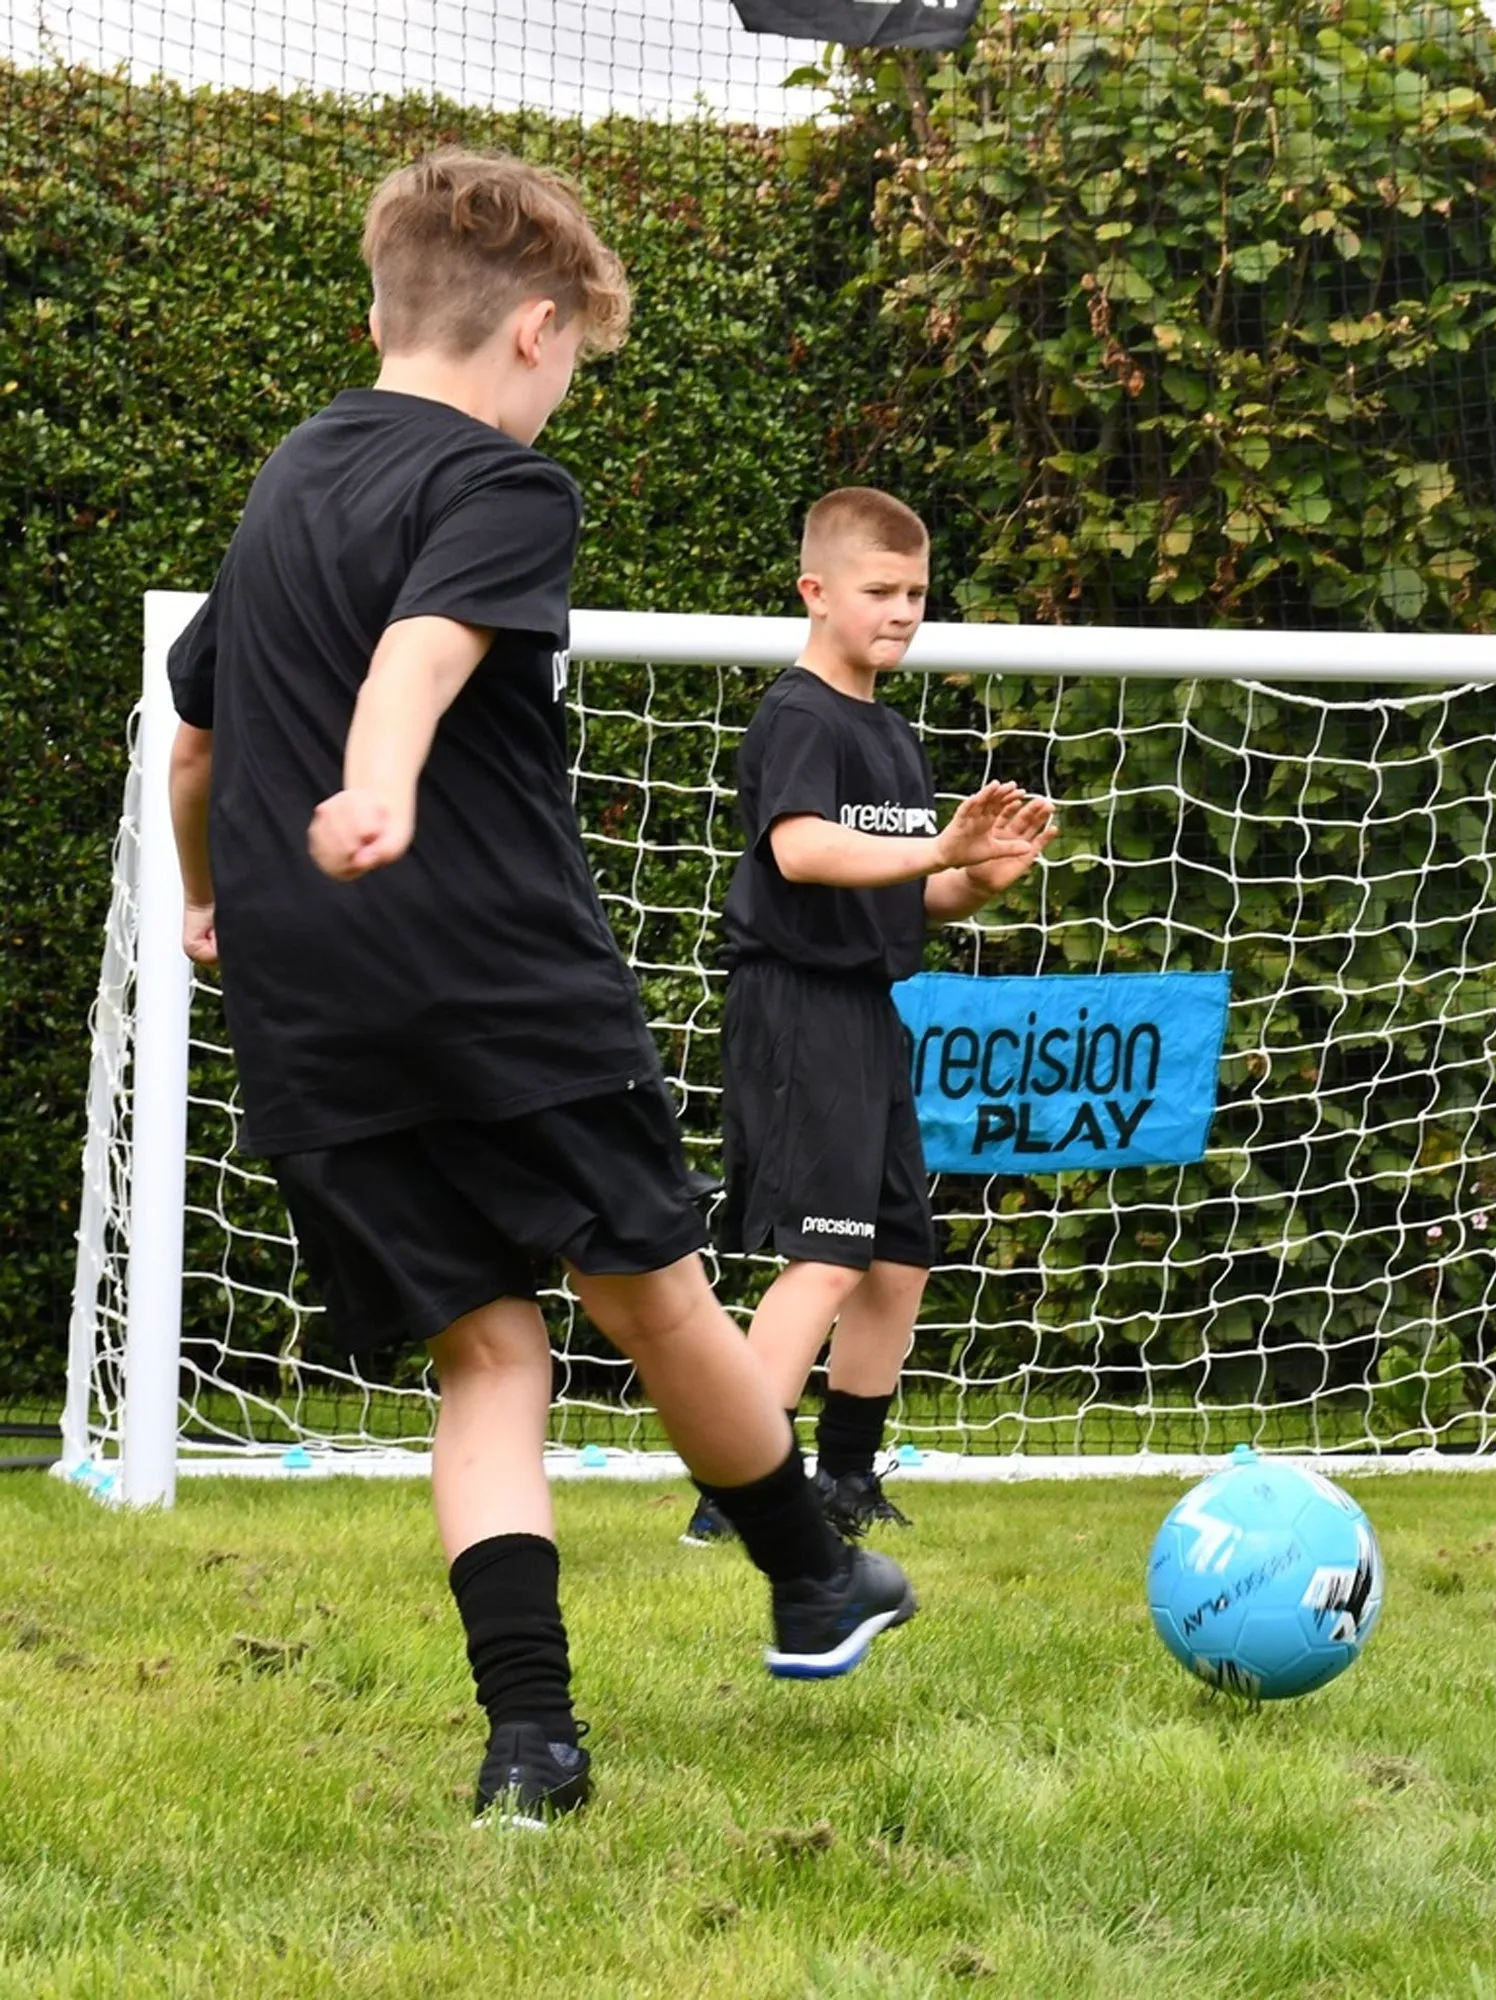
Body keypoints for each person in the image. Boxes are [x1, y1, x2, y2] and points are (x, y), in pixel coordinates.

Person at [164, 150, 912, 1830]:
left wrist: (214, 900)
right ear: (535, 327)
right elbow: (429, 650)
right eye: (574, 358)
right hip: (498, 985)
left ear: (378, 312)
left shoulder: (281, 486)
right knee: (655, 1296)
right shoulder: (509, 487)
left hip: (309, 1010)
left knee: (489, 1360)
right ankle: (809, 1579)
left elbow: (197, 736)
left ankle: (531, 1750)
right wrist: (380, 781)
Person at [683, 487, 1055, 1550]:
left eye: (916, 593)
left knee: (897, 1257)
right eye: (878, 590)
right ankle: (738, 1488)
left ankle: (845, 1478)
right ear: (815, 592)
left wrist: (981, 872)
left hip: (871, 1008)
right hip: (796, 1007)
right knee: (828, 1254)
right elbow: (800, 851)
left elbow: (915, 893)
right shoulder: (798, 714)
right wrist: (939, 847)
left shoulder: (888, 731)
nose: (901, 610)